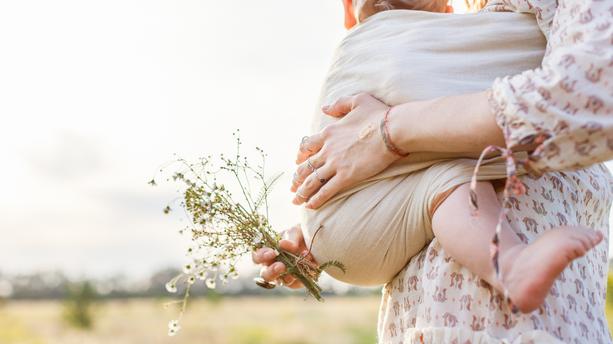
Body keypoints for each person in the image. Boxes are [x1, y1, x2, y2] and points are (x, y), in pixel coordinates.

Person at [255, 0, 612, 342]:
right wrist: (335, 215)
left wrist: (387, 133)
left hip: (510, 325)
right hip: (424, 312)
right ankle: (511, 264)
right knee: (449, 174)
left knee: (448, 171)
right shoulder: (440, 34)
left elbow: (589, 90)